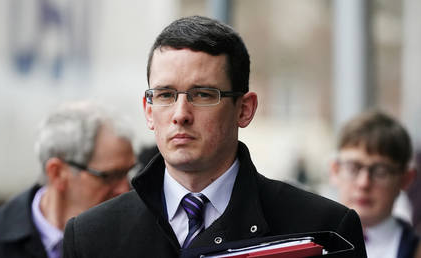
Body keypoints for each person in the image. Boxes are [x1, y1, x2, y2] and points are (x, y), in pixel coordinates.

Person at [63, 15, 367, 258]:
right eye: (166, 94)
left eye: (203, 94)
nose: (181, 113)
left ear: (244, 110)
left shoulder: (322, 229)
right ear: (148, 109)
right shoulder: (91, 236)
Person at [0, 101, 135, 258]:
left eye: (128, 172)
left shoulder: (136, 237)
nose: (125, 189)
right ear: (57, 173)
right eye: (110, 176)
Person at [330, 111, 420, 258]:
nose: (363, 183)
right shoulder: (309, 246)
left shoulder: (416, 250)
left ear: (406, 179)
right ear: (335, 171)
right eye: (353, 168)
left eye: (381, 171)